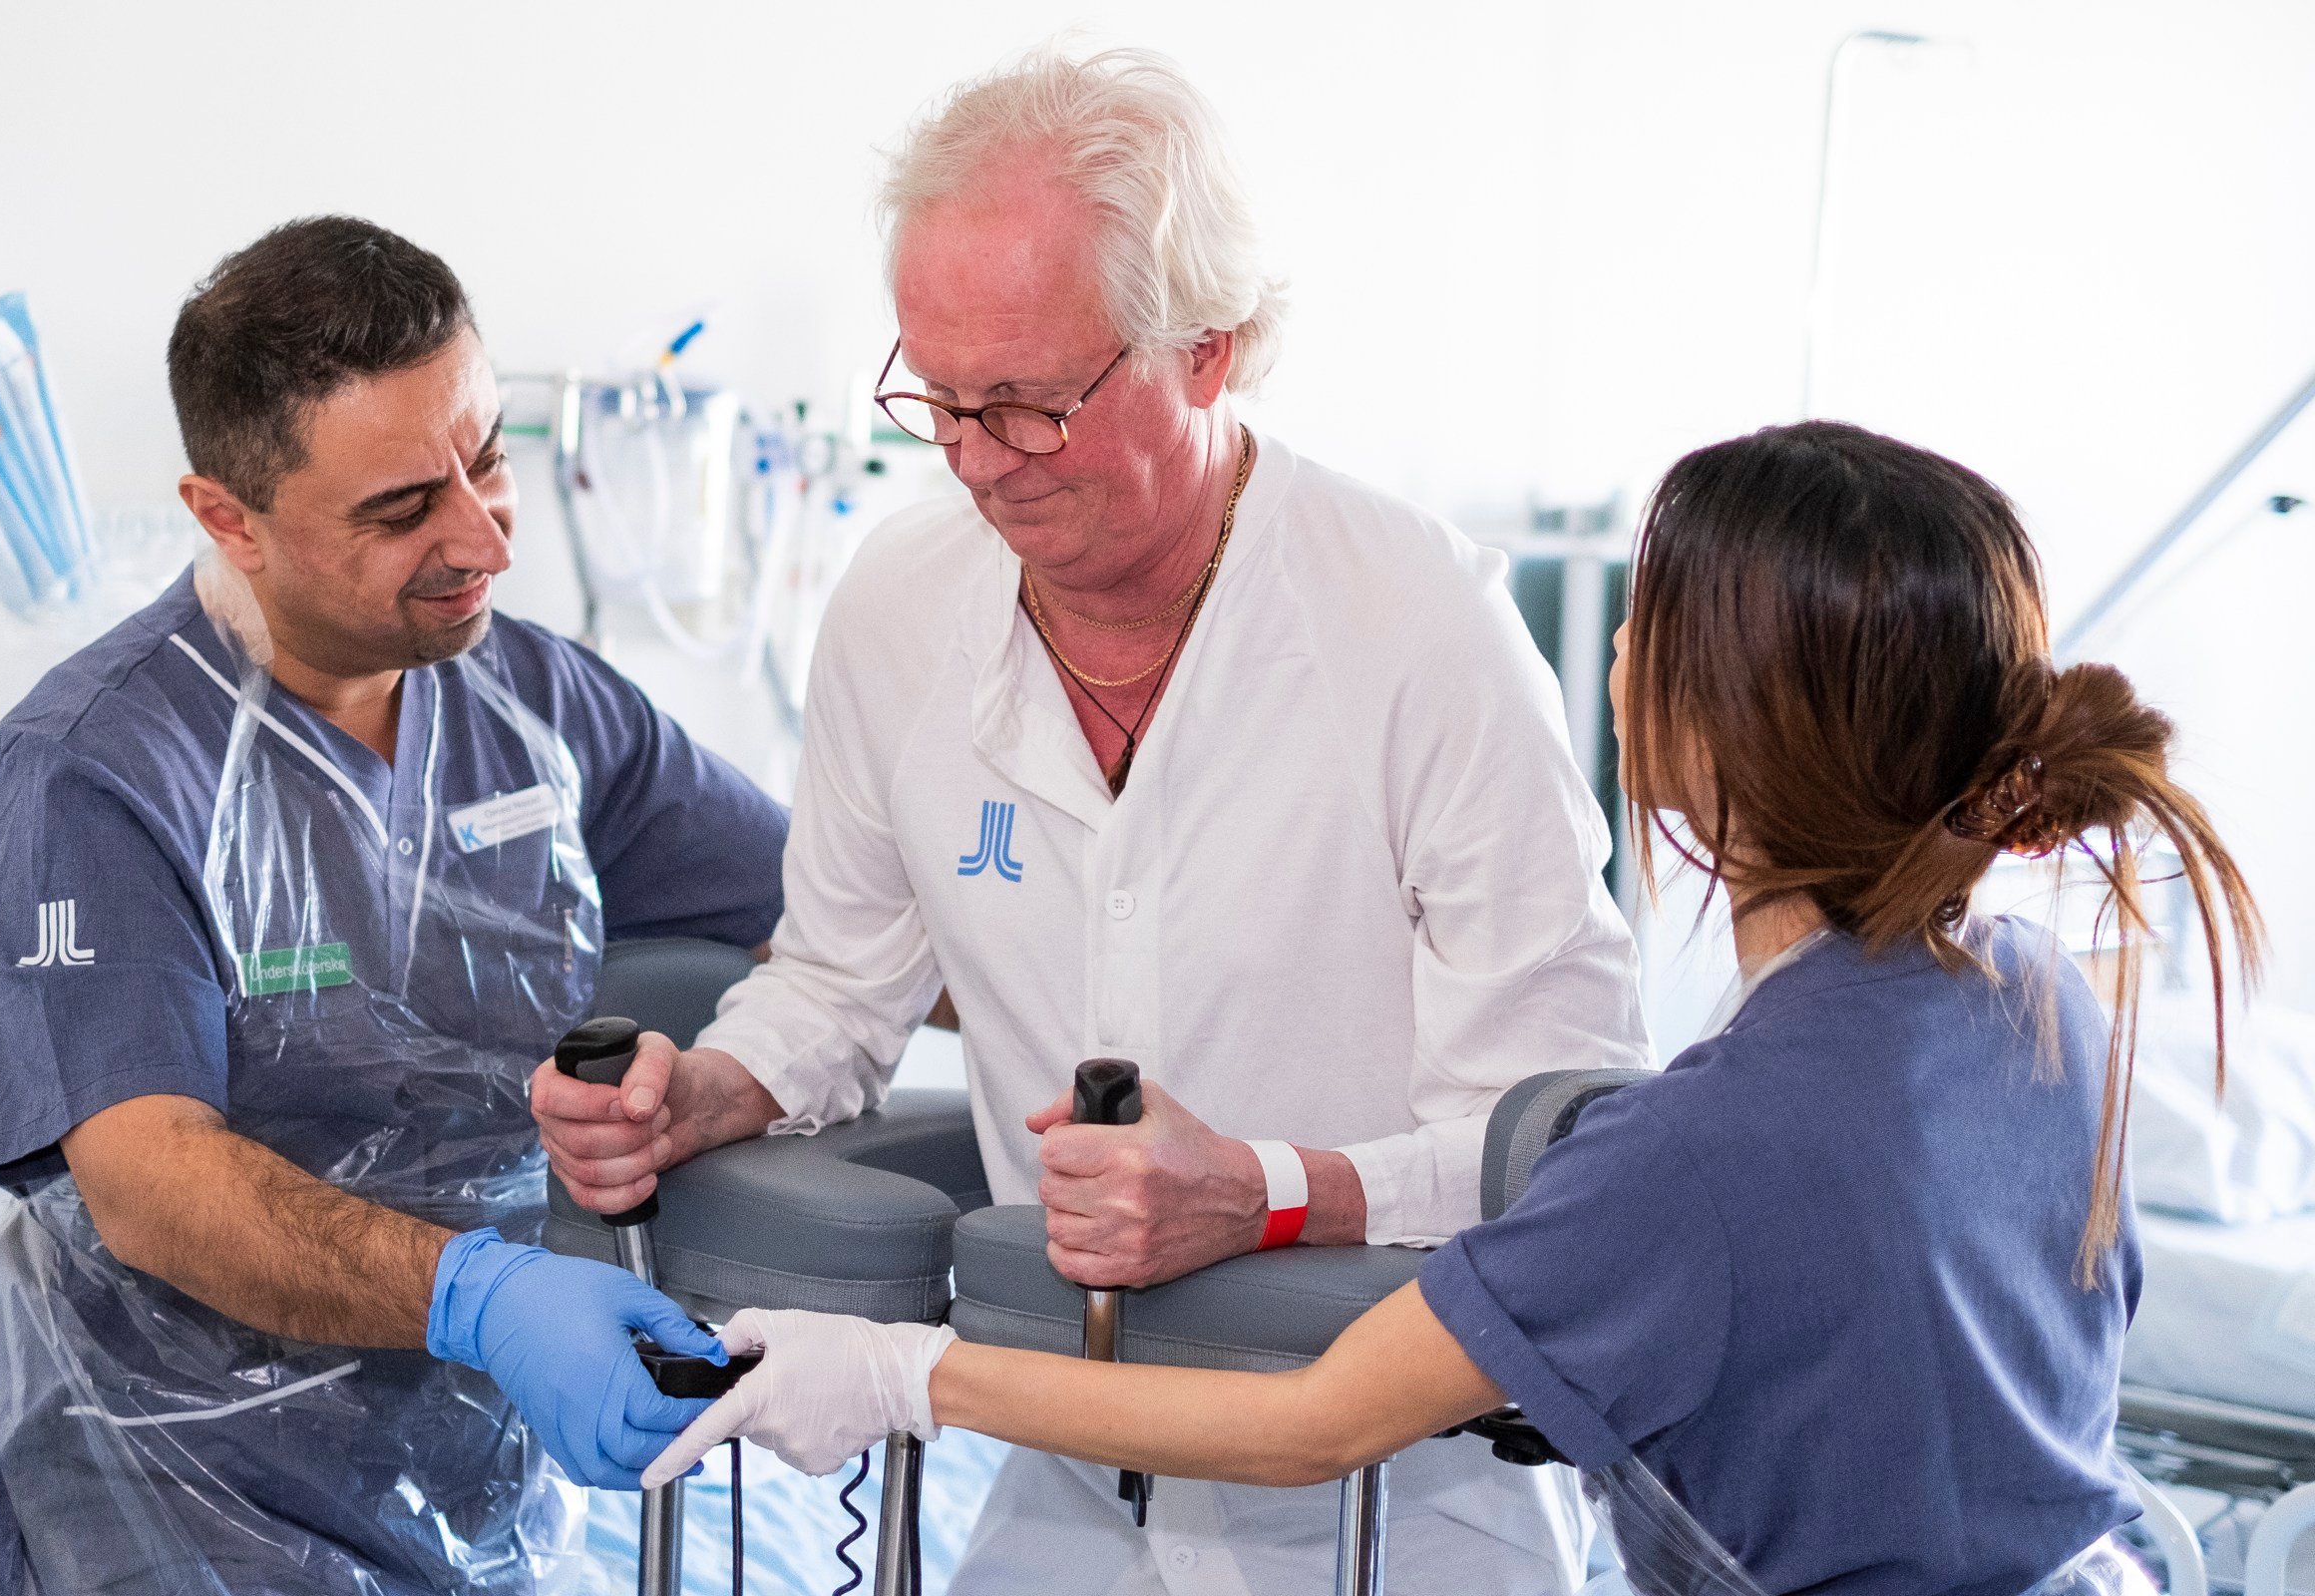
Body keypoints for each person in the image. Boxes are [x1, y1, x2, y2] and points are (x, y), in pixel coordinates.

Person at [642, 420, 2265, 1596]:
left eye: (1652, 621)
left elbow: (1310, 1429)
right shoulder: (2040, 1005)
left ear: (1709, 731)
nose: (1622, 644)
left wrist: (894, 1371)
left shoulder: (1697, 1152)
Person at [533, 46, 1646, 1596]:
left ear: (1210, 350)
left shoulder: (1419, 634)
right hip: (1069, 1477)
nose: (979, 460)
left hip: (1406, 1500)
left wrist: (1262, 1191)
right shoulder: (900, 612)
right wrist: (706, 1089)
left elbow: (1562, 1147)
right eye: (937, 399)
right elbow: (837, 984)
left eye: (1032, 405)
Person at [0, 216, 790, 1596]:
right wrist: (483, 1295)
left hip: (502, 1479)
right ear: (230, 517)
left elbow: (846, 920)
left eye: (490, 460)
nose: (481, 538)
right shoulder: (96, 772)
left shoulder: (537, 703)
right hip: (179, 1487)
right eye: (404, 508)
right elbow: (151, 1182)